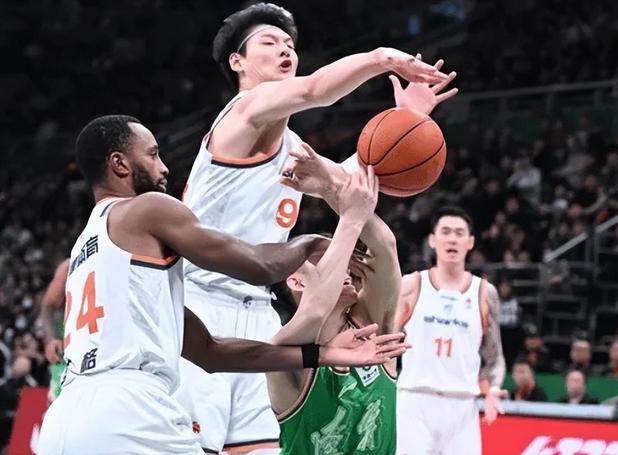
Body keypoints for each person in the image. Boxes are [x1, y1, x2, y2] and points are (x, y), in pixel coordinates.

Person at [37, 115, 407, 455]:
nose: (164, 167)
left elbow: (211, 353)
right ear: (120, 164)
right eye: (152, 154)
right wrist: (309, 242)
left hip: (65, 417)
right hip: (128, 408)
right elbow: (259, 267)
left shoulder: (89, 251)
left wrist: (321, 355)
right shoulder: (146, 209)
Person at [179, 3, 458, 451]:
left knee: (262, 448)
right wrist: (382, 58)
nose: (285, 50)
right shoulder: (242, 112)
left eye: (290, 44)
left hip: (259, 315)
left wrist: (410, 120)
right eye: (269, 42)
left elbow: (357, 181)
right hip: (200, 303)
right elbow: (315, 90)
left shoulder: (293, 148)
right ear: (237, 61)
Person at [265, 146, 400, 454]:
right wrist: (350, 216)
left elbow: (385, 247)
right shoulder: (284, 351)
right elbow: (315, 312)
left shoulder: (371, 327)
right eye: (330, 260)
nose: (346, 265)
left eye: (345, 256)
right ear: (296, 280)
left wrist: (329, 186)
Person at [394, 206, 506, 455]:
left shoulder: (484, 293)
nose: (452, 238)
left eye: (459, 233)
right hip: (414, 400)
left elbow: (494, 357)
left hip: (463, 405)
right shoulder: (411, 285)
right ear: (432, 240)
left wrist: (493, 389)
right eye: (445, 232)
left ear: (471, 242)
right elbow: (386, 343)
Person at [39, 257, 70, 402]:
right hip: (69, 345)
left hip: (108, 346)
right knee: (59, 403)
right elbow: (48, 304)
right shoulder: (70, 265)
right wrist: (50, 339)